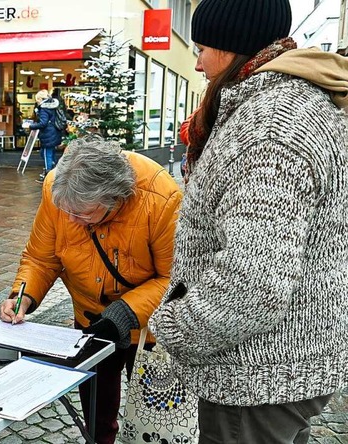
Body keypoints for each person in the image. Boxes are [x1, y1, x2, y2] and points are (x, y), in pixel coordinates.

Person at [148, 0, 348, 442]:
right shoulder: (285, 105)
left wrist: (174, 326)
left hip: (255, 376)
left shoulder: (271, 127)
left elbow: (253, 281)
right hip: (280, 364)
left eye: (202, 48)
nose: (196, 62)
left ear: (233, 46)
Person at [0, 136, 182, 443]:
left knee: (156, 422)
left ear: (115, 200)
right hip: (91, 323)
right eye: (67, 211)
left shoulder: (161, 198)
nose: (71, 219)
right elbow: (42, 257)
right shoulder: (61, 189)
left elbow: (176, 280)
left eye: (83, 215)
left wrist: (125, 313)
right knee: (97, 417)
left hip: (150, 332)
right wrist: (23, 296)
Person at [22, 89, 62, 183]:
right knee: (50, 153)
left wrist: (30, 126)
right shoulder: (52, 106)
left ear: (40, 99)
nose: (36, 101)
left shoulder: (44, 108)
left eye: (37, 99)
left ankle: (48, 174)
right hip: (54, 133)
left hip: (48, 134)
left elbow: (43, 123)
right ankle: (53, 171)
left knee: (46, 153)